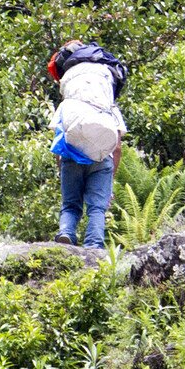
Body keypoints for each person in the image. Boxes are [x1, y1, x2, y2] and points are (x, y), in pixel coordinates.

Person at [49, 39, 127, 251]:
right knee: (97, 209)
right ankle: (93, 246)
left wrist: (63, 167)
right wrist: (110, 177)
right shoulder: (109, 108)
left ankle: (66, 234)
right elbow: (117, 146)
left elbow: (58, 138)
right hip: (102, 161)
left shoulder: (68, 106)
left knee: (70, 205)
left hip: (71, 156)